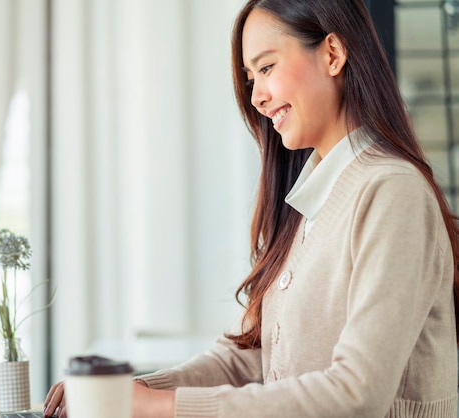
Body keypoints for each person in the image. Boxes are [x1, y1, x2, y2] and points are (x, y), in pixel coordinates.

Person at [44, 0, 459, 416]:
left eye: (266, 68)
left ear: (332, 54)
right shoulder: (311, 203)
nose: (257, 97)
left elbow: (357, 393)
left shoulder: (392, 192)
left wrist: (158, 406)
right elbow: (247, 356)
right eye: (249, 78)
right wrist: (127, 392)